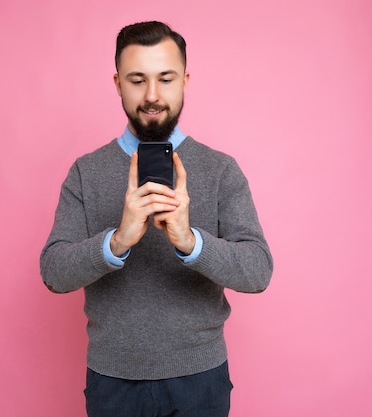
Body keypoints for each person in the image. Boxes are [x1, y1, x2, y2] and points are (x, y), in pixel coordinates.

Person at [40, 21, 273, 417]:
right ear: (117, 84)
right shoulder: (86, 171)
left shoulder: (221, 170)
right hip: (112, 381)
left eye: (165, 79)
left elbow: (258, 271)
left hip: (201, 379)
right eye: (137, 80)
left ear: (184, 80)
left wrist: (190, 241)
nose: (152, 96)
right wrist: (116, 241)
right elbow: (54, 272)